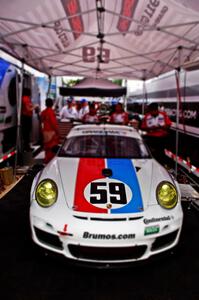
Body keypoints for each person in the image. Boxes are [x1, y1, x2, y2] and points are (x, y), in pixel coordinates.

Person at [41, 98, 60, 163]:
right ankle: (50, 162)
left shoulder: (43, 112)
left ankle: (46, 160)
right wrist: (57, 132)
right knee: (52, 148)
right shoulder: (51, 112)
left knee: (47, 148)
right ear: (52, 104)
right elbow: (53, 123)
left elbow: (41, 121)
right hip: (51, 133)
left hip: (45, 132)